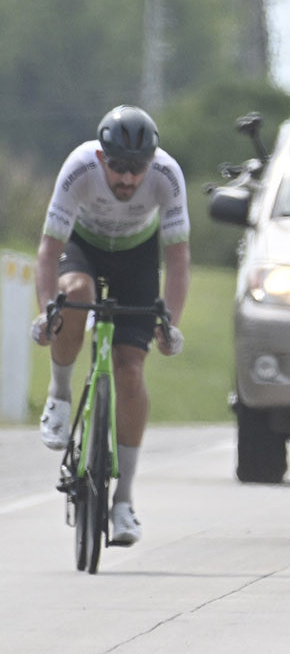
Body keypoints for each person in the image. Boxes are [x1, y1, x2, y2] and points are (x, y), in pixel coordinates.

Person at [31, 105, 190, 546]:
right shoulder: (80, 166)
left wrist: (170, 323)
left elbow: (177, 260)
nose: (126, 179)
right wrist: (49, 311)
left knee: (130, 370)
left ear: (151, 163)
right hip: (83, 248)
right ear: (102, 159)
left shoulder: (168, 175)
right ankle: (59, 396)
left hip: (137, 259)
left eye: (136, 170)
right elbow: (48, 250)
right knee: (76, 294)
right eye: (118, 168)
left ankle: (123, 501)